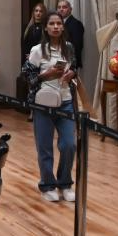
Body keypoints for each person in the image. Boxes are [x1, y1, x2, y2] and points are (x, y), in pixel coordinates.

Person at [22, 11, 77, 203]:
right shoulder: (38, 50)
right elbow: (27, 77)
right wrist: (47, 74)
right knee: (45, 147)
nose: (56, 27)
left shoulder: (69, 48)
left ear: (63, 27)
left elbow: (74, 68)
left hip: (66, 101)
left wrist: (71, 74)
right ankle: (47, 185)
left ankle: (65, 183)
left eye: (59, 24)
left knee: (69, 144)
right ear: (46, 27)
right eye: (52, 24)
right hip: (43, 104)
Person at [57, 0, 85, 69]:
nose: (61, 9)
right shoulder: (57, 23)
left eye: (64, 7)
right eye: (59, 7)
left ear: (70, 9)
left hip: (69, 62)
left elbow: (77, 46)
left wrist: (73, 65)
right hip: (57, 60)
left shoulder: (76, 24)